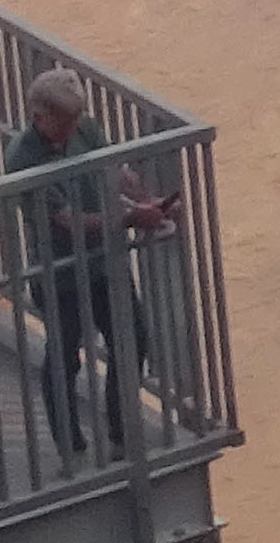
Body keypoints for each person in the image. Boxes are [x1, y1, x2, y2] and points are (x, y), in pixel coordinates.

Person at [10, 67, 177, 456]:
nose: (73, 129)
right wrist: (134, 219)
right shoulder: (22, 160)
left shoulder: (83, 129)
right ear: (39, 118)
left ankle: (122, 432)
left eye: (76, 119)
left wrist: (147, 200)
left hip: (104, 263)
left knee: (132, 339)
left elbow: (115, 171)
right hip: (60, 271)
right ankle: (71, 447)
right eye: (64, 122)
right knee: (65, 356)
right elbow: (69, 223)